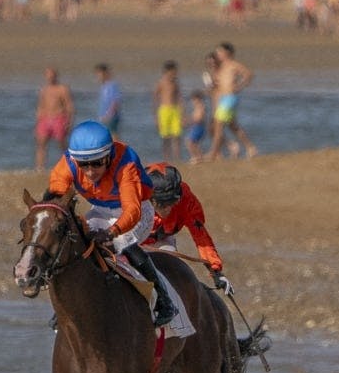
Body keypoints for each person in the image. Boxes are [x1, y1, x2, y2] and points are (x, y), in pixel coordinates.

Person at [42, 120, 177, 328]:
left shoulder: (125, 164)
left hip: (138, 211)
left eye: (96, 163)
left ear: (108, 156)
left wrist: (113, 232)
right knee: (76, 242)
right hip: (101, 210)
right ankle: (66, 305)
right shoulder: (67, 164)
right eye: (83, 164)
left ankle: (165, 301)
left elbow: (132, 210)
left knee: (123, 243)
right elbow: (56, 197)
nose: (89, 171)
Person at [142, 163, 232, 295]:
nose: (168, 209)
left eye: (172, 202)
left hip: (161, 241)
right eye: (162, 204)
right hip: (131, 239)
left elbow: (201, 237)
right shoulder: (133, 195)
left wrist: (216, 272)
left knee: (171, 268)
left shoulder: (187, 201)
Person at [206, 41, 257, 161]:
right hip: (223, 99)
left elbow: (249, 74)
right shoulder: (219, 67)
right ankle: (251, 148)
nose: (217, 54)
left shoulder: (233, 65)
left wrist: (240, 86)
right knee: (233, 127)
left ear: (227, 53)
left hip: (230, 98)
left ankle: (213, 154)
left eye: (219, 51)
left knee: (218, 125)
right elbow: (216, 86)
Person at [33, 67, 74, 172]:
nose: (50, 77)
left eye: (52, 74)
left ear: (56, 75)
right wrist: (38, 120)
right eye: (48, 75)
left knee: (61, 143)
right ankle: (39, 168)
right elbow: (40, 106)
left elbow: (69, 105)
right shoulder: (44, 90)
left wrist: (69, 122)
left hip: (59, 118)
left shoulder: (62, 89)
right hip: (45, 118)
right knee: (41, 143)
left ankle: (69, 165)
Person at [153, 60, 184, 163]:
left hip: (174, 110)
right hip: (164, 110)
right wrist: (156, 116)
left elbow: (179, 97)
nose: (174, 74)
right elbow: (155, 98)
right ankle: (166, 158)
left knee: (177, 134)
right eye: (172, 72)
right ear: (167, 71)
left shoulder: (176, 83)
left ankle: (177, 157)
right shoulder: (161, 82)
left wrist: (182, 112)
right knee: (165, 136)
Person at [94, 63, 122, 135]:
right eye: (97, 74)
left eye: (99, 74)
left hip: (111, 117)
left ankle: (120, 146)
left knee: (113, 136)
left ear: (105, 73)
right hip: (104, 116)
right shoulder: (104, 86)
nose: (98, 77)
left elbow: (115, 102)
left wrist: (108, 115)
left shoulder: (111, 85)